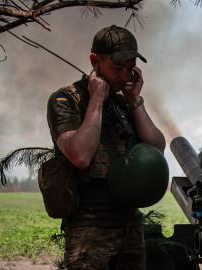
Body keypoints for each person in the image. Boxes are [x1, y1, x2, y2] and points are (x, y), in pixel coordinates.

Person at [47, 25, 166, 269]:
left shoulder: (125, 104)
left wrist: (135, 102)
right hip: (90, 226)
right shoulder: (67, 100)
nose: (124, 76)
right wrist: (97, 100)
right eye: (117, 68)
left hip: (130, 223)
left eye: (130, 69)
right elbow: (80, 156)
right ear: (95, 60)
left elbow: (156, 148)